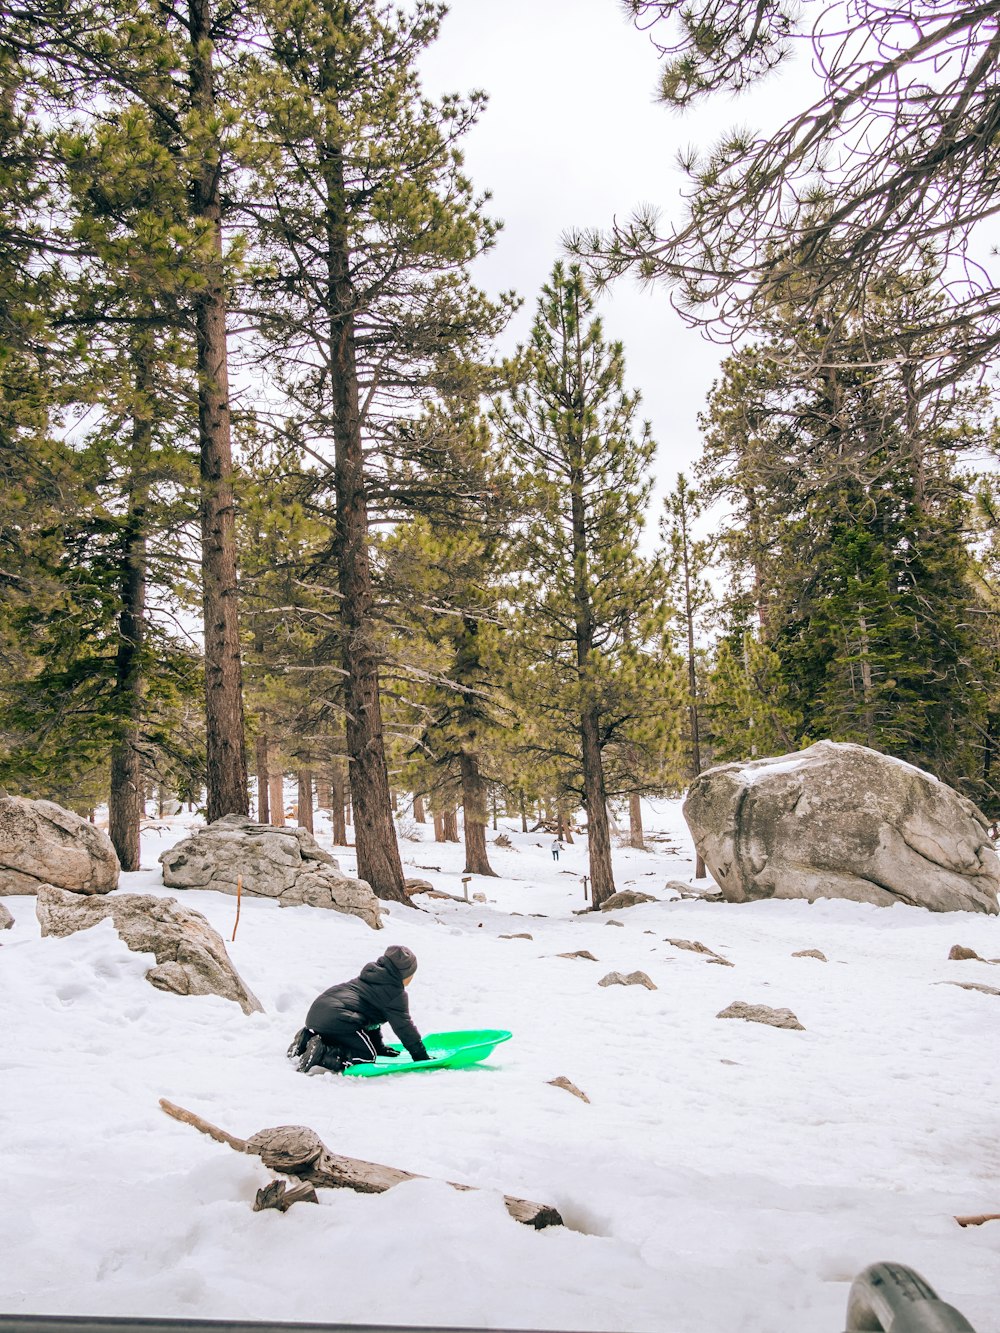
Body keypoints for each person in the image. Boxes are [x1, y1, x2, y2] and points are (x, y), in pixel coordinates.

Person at [288, 944, 431, 1074]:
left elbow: (371, 1016)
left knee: (362, 1038)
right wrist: (421, 1056)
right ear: (404, 974)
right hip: (337, 1017)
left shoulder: (373, 977)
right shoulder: (394, 994)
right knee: (366, 1056)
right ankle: (324, 1053)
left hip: (318, 1014)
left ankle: (306, 1039)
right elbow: (404, 1027)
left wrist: (379, 1047)